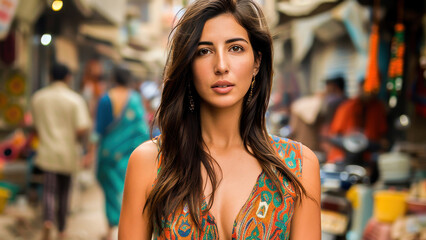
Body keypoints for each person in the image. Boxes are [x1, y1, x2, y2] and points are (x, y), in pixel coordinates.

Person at [119, 0, 321, 239]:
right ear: (188, 66)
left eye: (235, 48)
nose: (221, 66)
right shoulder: (150, 162)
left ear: (257, 61)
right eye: (204, 51)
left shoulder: (297, 166)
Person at [85, 66, 150, 240]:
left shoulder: (106, 99)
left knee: (109, 190)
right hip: (130, 155)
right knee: (127, 191)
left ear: (113, 78)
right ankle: (127, 228)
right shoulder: (135, 100)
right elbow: (142, 130)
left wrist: (90, 153)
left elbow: (97, 130)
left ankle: (109, 229)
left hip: (108, 154)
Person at [31, 63, 91, 240]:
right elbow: (82, 127)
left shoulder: (38, 98)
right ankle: (62, 229)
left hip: (47, 150)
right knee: (64, 192)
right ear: (67, 77)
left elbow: (34, 125)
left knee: (48, 189)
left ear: (50, 76)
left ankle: (48, 220)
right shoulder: (75, 100)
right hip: (68, 151)